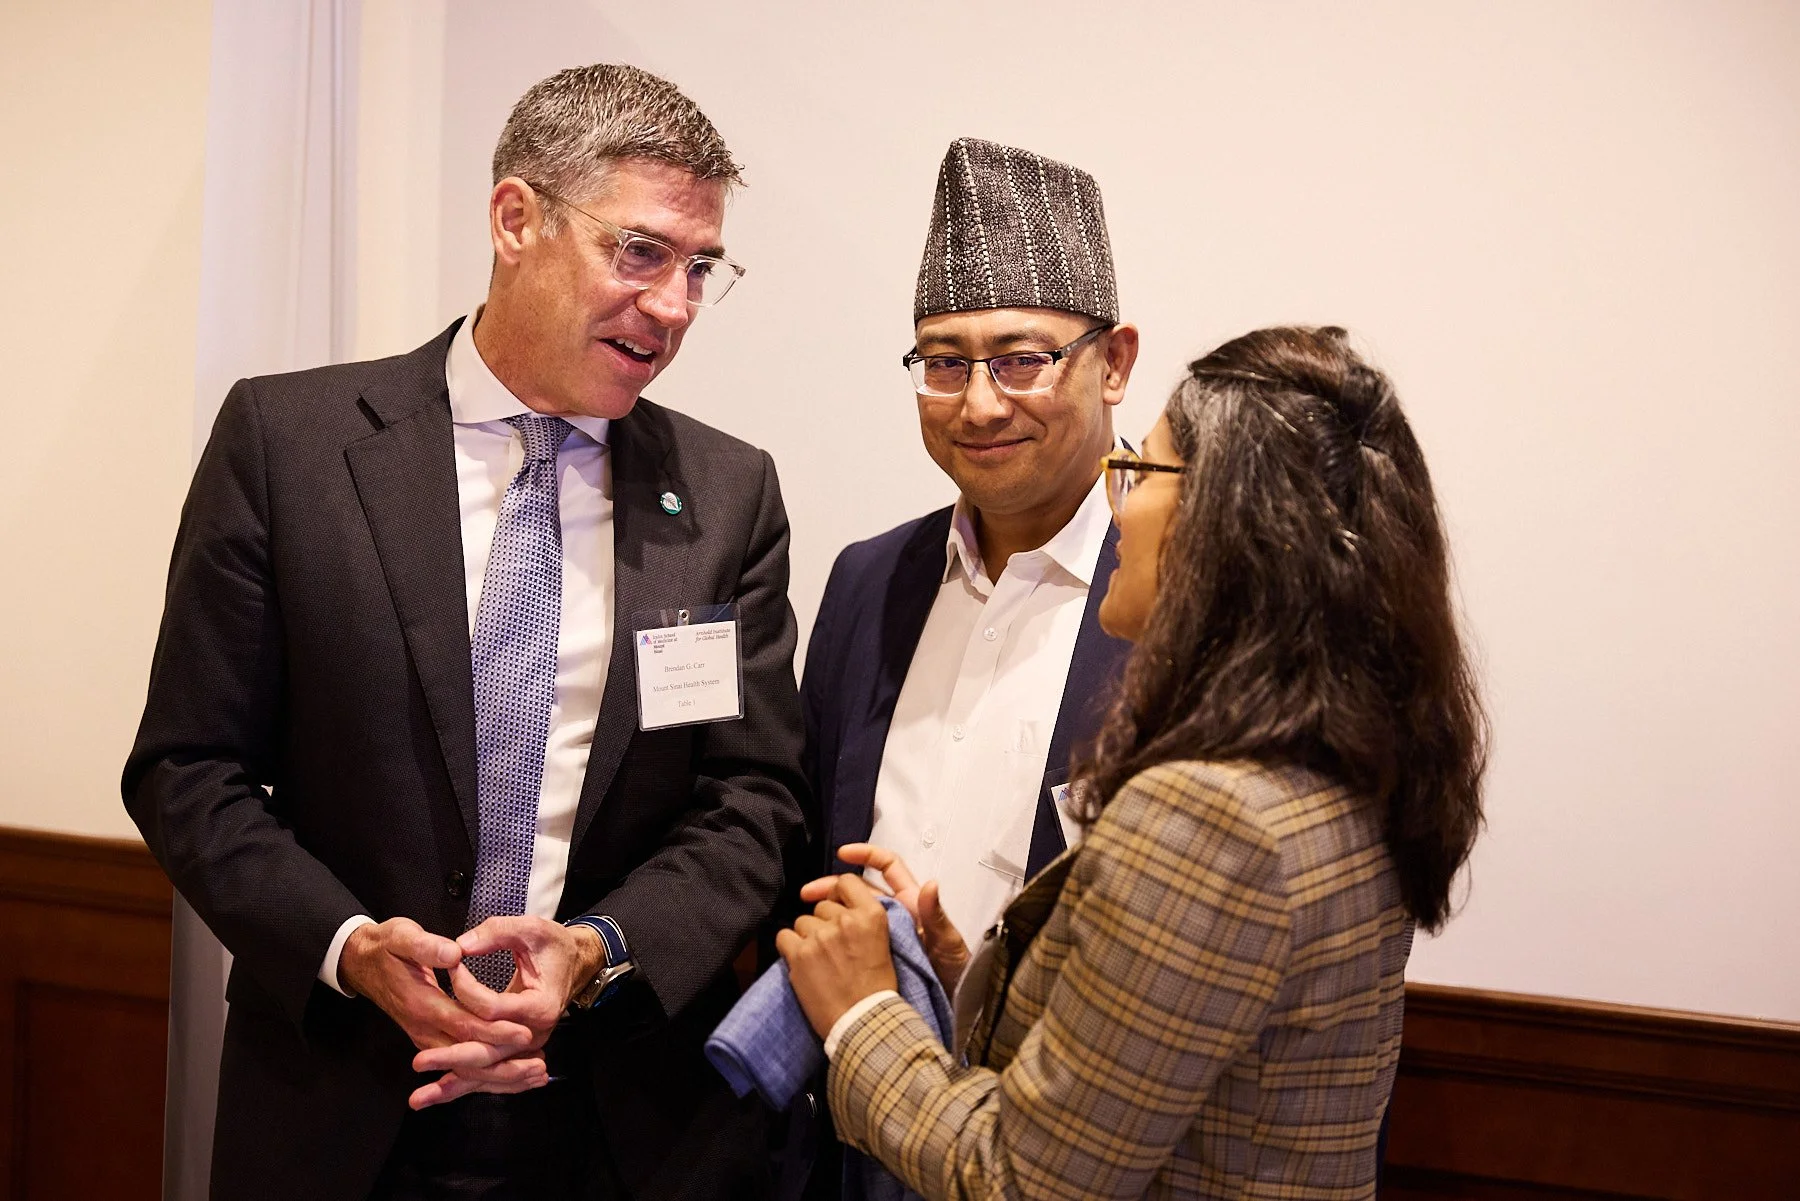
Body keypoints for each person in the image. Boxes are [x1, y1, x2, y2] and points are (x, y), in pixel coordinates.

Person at [124, 64, 805, 1201]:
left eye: (700, 268)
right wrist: (351, 946)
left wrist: (596, 949)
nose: (677, 306)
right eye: (640, 253)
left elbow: (753, 798)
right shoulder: (288, 446)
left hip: (613, 1117)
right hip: (338, 1103)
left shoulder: (728, 496)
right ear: (515, 218)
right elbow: (188, 770)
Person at [778, 325, 1488, 1198]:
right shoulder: (1335, 761)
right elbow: (1169, 1040)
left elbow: (1017, 1179)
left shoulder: (1209, 810)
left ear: (1235, 521)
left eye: (1139, 472)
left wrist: (861, 1012)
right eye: (944, 362)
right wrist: (978, 983)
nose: (1117, 504)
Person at [800, 136, 1140, 972]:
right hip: (853, 1076)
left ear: (1114, 363)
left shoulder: (1191, 592)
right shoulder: (870, 580)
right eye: (946, 364)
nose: (981, 405)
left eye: (1024, 359)